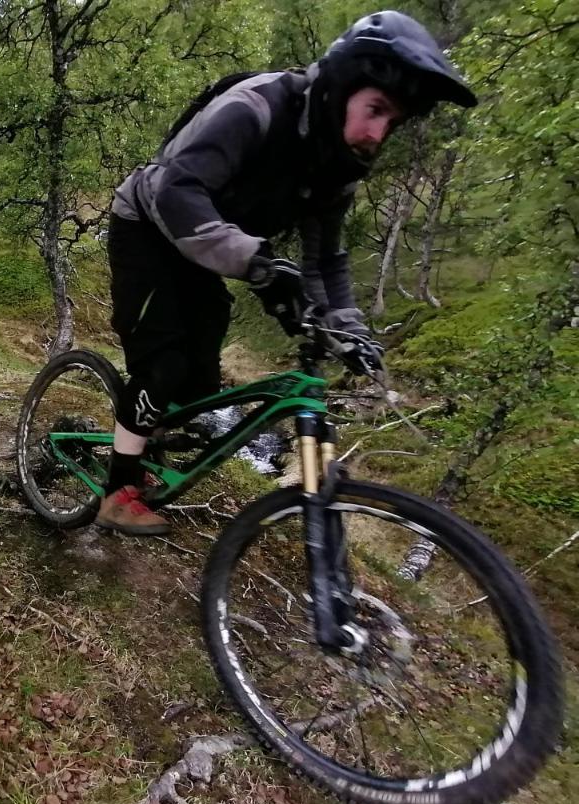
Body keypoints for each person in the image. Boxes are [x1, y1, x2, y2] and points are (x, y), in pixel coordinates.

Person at [96, 10, 477, 536]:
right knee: (162, 363)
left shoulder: (334, 167)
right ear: (343, 85)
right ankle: (118, 491)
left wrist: (349, 327)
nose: (376, 134)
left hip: (207, 246)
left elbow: (326, 261)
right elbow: (176, 191)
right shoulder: (255, 107)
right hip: (148, 223)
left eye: (393, 123)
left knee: (201, 378)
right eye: (376, 109)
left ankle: (148, 434)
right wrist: (258, 262)